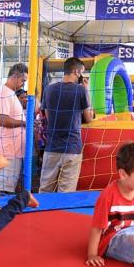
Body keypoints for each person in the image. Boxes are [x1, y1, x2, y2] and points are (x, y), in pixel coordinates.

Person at [40, 57, 94, 193]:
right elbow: (88, 118)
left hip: (51, 146)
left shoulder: (49, 89)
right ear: (76, 71)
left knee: (45, 191)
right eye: (81, 72)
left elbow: (47, 116)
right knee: (66, 194)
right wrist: (86, 90)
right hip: (71, 147)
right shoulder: (81, 90)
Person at [0, 63, 29, 195]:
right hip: (7, 149)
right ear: (14, 76)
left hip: (12, 149)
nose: (23, 84)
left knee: (6, 188)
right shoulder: (3, 93)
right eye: (22, 81)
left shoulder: (10, 94)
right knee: (1, 188)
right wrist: (25, 123)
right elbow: (1, 119)